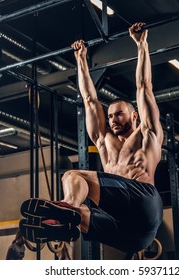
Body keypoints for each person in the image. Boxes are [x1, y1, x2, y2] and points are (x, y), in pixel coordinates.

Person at [19, 22, 164, 255]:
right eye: (110, 116)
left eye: (119, 114)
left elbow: (144, 86)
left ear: (134, 115)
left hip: (144, 203)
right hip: (131, 236)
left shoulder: (147, 134)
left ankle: (66, 208)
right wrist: (81, 59)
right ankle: (62, 221)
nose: (113, 119)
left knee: (72, 175)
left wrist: (141, 45)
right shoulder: (104, 140)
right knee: (82, 215)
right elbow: (88, 98)